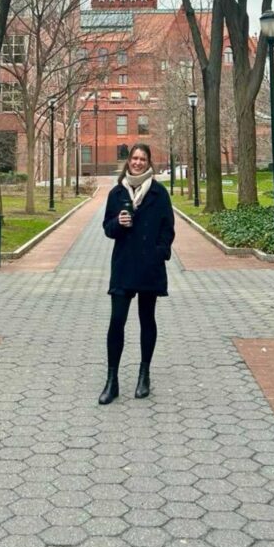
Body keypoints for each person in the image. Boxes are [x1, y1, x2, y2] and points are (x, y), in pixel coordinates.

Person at [99, 142, 175, 404]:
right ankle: (112, 380)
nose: (138, 162)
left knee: (147, 319)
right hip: (124, 265)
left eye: (143, 159)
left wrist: (160, 252)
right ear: (128, 161)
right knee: (116, 321)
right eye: (134, 158)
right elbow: (107, 228)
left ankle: (144, 374)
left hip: (149, 267)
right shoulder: (117, 193)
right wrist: (117, 224)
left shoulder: (159, 193)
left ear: (149, 162)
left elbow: (168, 228)